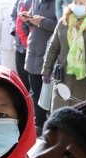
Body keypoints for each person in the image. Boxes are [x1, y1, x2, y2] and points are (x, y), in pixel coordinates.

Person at [42, 0, 86, 110]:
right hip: (62, 81)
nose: (77, 6)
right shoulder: (64, 22)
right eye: (76, 2)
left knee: (79, 117)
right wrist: (46, 70)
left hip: (83, 83)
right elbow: (53, 47)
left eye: (81, 3)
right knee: (58, 115)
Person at [21, 0, 57, 135]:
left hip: (47, 54)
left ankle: (47, 126)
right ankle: (39, 124)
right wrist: (28, 18)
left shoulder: (58, 3)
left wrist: (42, 22)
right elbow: (34, 20)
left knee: (47, 94)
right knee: (35, 92)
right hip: (33, 54)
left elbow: (61, 25)